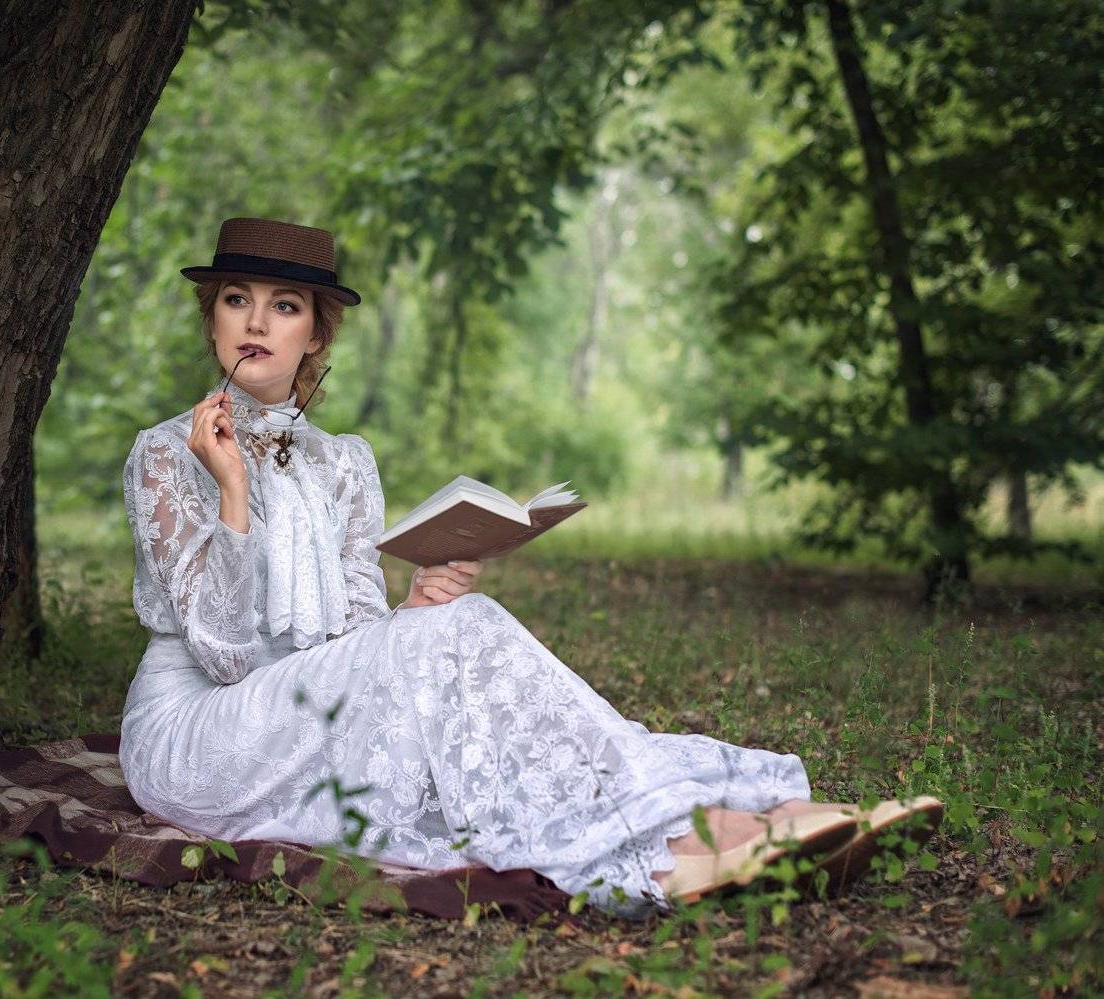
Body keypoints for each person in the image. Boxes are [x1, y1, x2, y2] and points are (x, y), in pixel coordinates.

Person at [117, 217, 941, 918]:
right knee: (462, 652)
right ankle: (683, 842)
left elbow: (358, 648)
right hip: (201, 736)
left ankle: (727, 816)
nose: (257, 321)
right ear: (212, 316)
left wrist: (413, 610)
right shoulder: (162, 454)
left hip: (311, 717)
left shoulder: (346, 463)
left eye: (285, 305)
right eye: (237, 299)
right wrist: (232, 492)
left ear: (317, 334)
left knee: (457, 623)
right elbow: (225, 657)